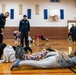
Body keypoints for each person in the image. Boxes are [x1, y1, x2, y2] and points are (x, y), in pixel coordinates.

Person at [10, 50, 76, 70]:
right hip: (56, 62)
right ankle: (19, 63)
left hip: (54, 57)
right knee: (37, 64)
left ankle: (20, 62)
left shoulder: (72, 56)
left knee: (37, 62)